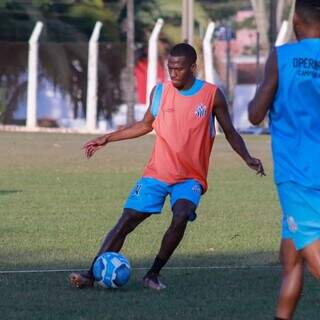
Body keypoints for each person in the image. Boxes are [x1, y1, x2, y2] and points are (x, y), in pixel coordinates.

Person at [70, 43, 265, 291]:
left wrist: (247, 157)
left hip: (190, 178)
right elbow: (144, 125)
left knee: (181, 215)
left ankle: (152, 274)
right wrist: (107, 138)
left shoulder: (212, 95)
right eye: (170, 68)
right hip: (157, 173)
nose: (173, 73)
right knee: (127, 220)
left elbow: (230, 132)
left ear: (193, 68)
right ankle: (89, 274)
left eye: (179, 69)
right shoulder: (160, 92)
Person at [248, 1, 320, 319]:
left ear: (294, 20)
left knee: (310, 253)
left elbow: (254, 114)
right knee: (290, 259)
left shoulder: (282, 56)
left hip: (298, 173)